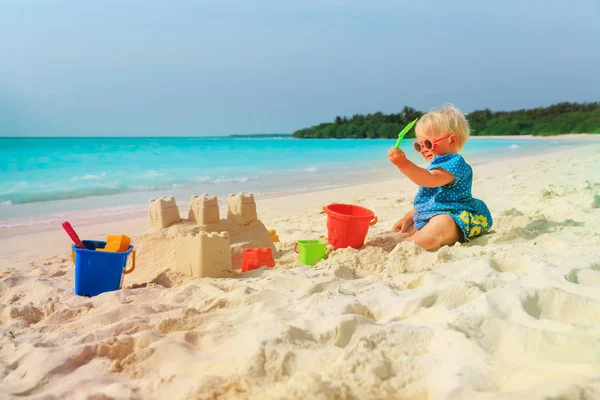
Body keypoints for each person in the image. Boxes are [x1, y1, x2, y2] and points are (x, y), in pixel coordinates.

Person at [387, 105, 492, 251]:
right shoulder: (436, 166)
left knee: (442, 223)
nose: (423, 149)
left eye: (428, 143)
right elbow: (429, 201)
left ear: (452, 141)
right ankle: (406, 240)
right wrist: (408, 217)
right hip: (431, 215)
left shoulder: (455, 163)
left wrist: (403, 164)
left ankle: (410, 245)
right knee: (410, 227)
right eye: (419, 146)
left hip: (455, 217)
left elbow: (429, 179)